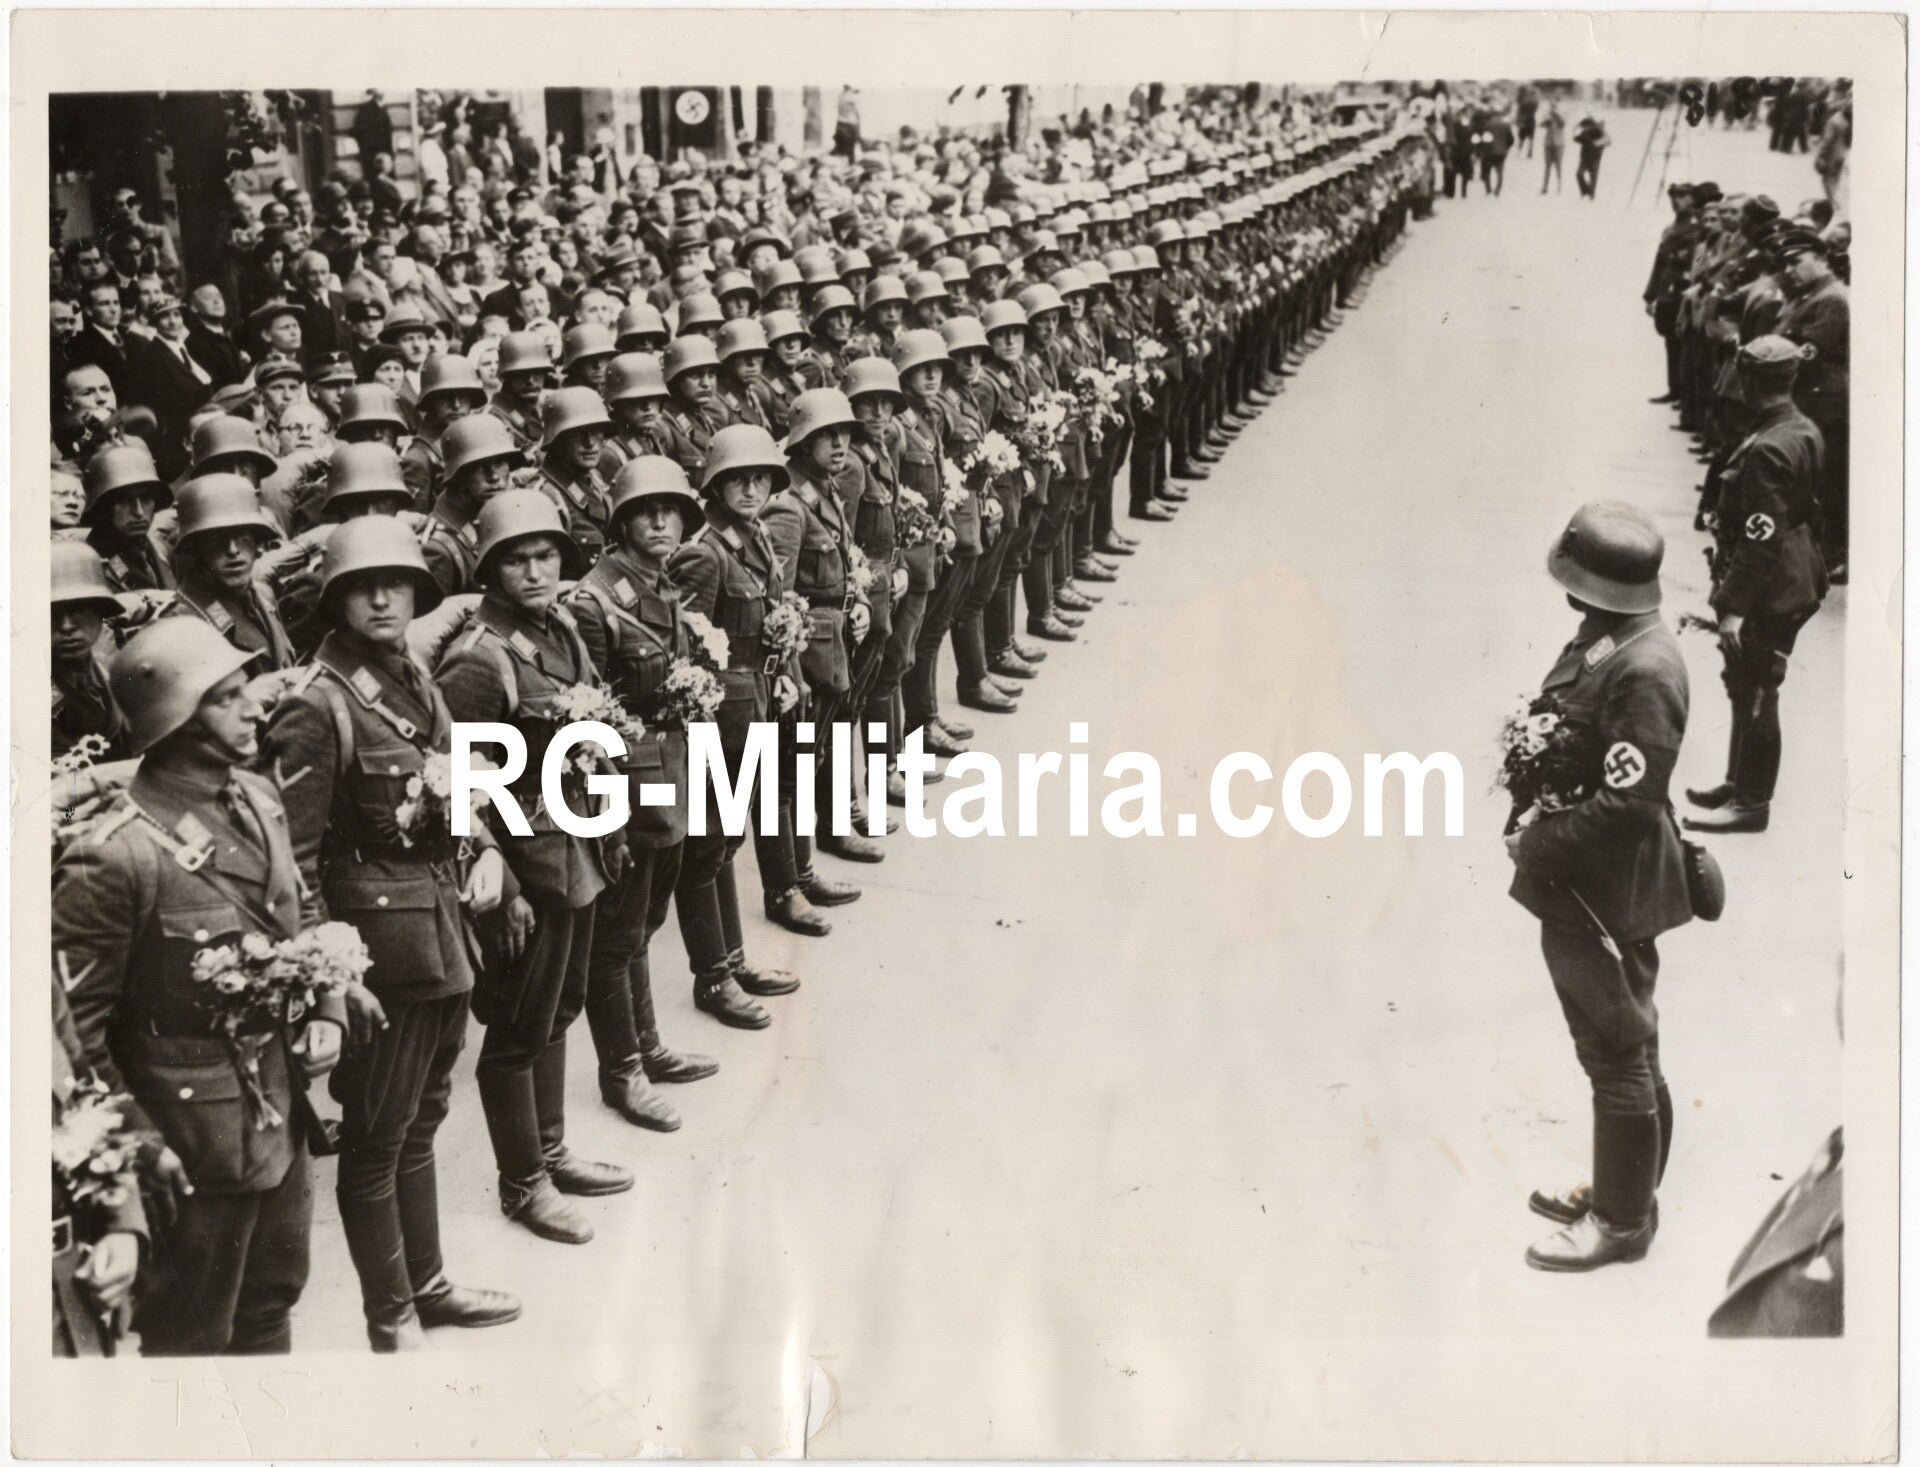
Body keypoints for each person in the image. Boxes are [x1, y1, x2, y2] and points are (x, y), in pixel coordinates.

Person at [57, 617, 354, 1354]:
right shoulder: (114, 856)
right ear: (177, 717)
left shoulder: (256, 796)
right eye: (227, 696)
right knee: (193, 1336)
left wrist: (328, 1003)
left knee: (272, 1303)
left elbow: (301, 906)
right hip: (186, 1147)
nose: (256, 704)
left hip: (278, 1114)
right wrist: (133, 1162)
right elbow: (76, 1046)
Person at [262, 517, 522, 1349]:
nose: (382, 597)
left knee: (422, 1116)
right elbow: (290, 863)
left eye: (398, 583)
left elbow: (457, 784)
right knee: (376, 1136)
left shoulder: (412, 674)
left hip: (442, 929)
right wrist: (332, 980)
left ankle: (428, 1282)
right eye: (362, 586)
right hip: (377, 954)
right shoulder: (317, 701)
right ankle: (392, 1313)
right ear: (336, 600)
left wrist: (484, 851)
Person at [434, 490, 632, 1245]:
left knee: (561, 1005)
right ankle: (524, 1182)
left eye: (546, 554)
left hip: (572, 844)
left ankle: (549, 1152)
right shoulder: (481, 659)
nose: (536, 569)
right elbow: (457, 780)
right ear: (489, 566)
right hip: (524, 860)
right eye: (517, 558)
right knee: (518, 1027)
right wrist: (503, 889)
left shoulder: (561, 631)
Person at [1507, 501, 1690, 1273]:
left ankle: (1621, 1223)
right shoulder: (1614, 637)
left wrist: (1538, 841)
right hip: (1590, 880)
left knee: (1616, 1047)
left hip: (1601, 886)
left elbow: (1628, 802)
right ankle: (1629, 1191)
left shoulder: (1646, 667)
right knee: (1625, 1040)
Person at [568, 458, 722, 1129]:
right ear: (622, 519)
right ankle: (622, 1069)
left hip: (670, 771)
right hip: (629, 784)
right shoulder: (594, 600)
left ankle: (647, 1044)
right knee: (618, 933)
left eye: (672, 511)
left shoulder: (657, 583)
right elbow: (590, 714)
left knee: (644, 926)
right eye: (647, 511)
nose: (661, 522)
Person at [668, 425, 807, 1030]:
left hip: (754, 705)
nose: (751, 489)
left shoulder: (752, 538)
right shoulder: (705, 552)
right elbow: (693, 648)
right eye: (738, 480)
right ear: (716, 485)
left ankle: (733, 960)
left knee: (725, 843)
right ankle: (713, 975)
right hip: (720, 717)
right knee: (705, 848)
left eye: (760, 479)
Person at [1684, 337, 1828, 836]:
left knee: (1760, 685)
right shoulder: (1797, 427)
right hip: (1793, 572)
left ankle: (1751, 803)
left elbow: (1760, 538)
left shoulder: (1768, 446)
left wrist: (1732, 608)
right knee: (1745, 683)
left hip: (1769, 585)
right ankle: (1737, 780)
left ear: (1753, 382)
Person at [158, 475, 296, 674]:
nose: (232, 550)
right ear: (197, 547)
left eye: (242, 536)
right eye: (216, 539)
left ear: (257, 540)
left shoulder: (263, 596)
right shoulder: (183, 619)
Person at [1772, 230, 1850, 583]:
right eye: (1785, 263)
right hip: (1810, 398)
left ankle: (1833, 555)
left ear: (1820, 259)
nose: (1789, 269)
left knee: (1828, 482)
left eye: (1796, 261)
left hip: (1825, 402)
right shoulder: (1809, 295)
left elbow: (1809, 352)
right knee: (1814, 479)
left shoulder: (1831, 299)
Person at [50, 541, 131, 764]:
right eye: (52, 612)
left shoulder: (104, 669)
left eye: (78, 609)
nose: (66, 626)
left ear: (100, 612)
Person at [1573, 114, 1610, 200]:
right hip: (1585, 158)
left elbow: (1608, 141)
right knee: (1579, 174)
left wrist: (1597, 143)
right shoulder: (1586, 133)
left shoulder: (1601, 134)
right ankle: (1585, 192)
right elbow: (1575, 138)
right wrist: (1577, 128)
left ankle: (1590, 194)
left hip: (1595, 159)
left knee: (1593, 178)